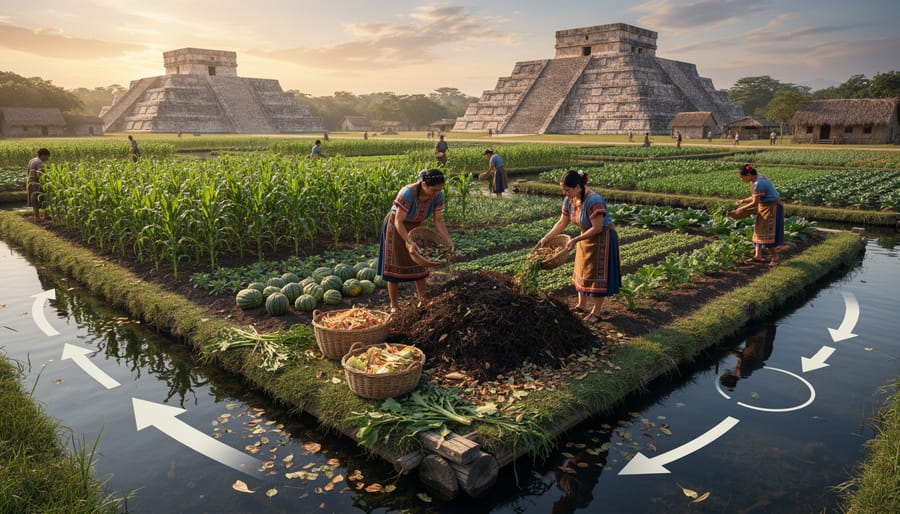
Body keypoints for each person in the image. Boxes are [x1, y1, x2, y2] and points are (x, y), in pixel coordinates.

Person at [537, 170, 621, 324]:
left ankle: (596, 312)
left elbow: (597, 227)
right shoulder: (569, 200)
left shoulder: (594, 200)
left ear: (577, 187)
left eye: (567, 189)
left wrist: (576, 239)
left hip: (603, 237)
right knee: (581, 270)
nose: (565, 193)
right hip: (584, 236)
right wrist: (546, 237)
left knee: (597, 274)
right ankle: (581, 305)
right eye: (563, 189)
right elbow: (562, 222)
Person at [377, 169, 454, 311]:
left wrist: (447, 239)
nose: (437, 193)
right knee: (394, 265)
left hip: (416, 226)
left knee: (420, 265)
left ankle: (422, 299)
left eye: (440, 190)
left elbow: (438, 220)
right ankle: (394, 305)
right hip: (396, 227)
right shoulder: (407, 193)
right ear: (424, 184)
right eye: (434, 190)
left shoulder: (438, 195)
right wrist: (409, 241)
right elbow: (398, 221)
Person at [735, 164, 784, 266]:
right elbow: (756, 197)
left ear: (748, 175)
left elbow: (754, 203)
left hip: (772, 208)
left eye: (742, 177)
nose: (741, 179)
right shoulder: (759, 177)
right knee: (759, 230)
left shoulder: (758, 183)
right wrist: (743, 201)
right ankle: (758, 256)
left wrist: (741, 209)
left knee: (767, 233)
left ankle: (775, 257)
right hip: (765, 207)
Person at [719, 325, 776, 391]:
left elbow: (741, 356)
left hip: (760, 351)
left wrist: (728, 351)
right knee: (762, 329)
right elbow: (740, 356)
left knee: (757, 331)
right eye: (725, 375)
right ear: (729, 378)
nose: (725, 373)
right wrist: (726, 351)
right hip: (760, 349)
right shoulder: (740, 372)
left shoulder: (742, 374)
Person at [26, 148, 51, 220]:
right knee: (42, 199)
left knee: (34, 200)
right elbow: (39, 175)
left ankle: (39, 216)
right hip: (36, 183)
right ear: (43, 155)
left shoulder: (32, 160)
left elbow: (28, 172)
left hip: (30, 182)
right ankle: (40, 217)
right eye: (47, 156)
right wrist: (45, 182)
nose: (48, 158)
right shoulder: (40, 163)